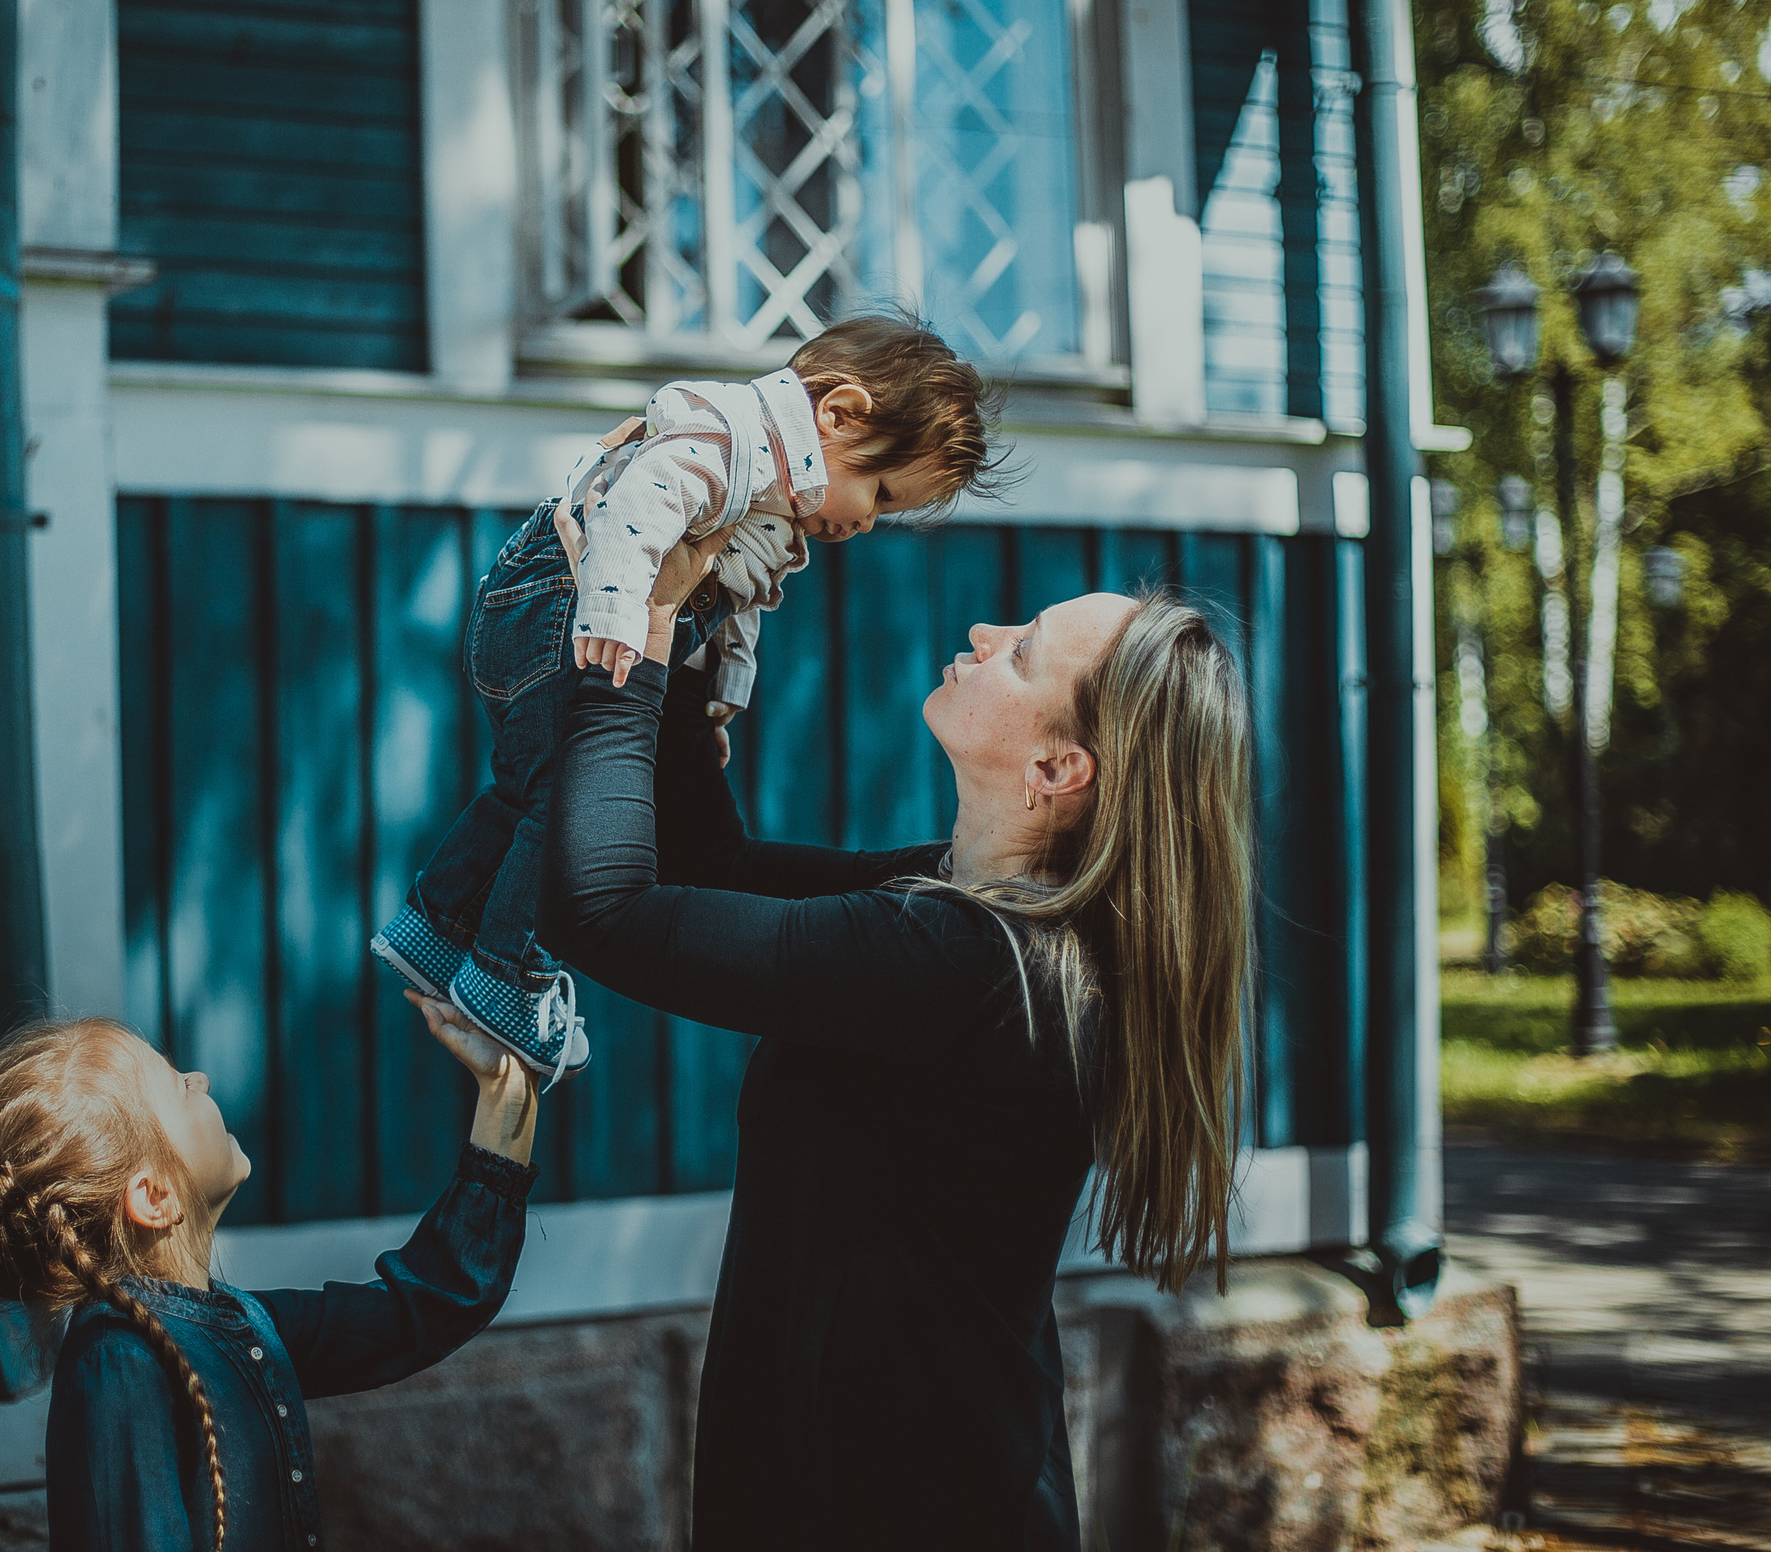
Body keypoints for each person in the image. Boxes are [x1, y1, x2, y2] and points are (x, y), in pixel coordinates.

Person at [538, 514, 1255, 1550]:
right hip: (896, 1486)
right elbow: (710, 871)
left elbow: (599, 911)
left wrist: (624, 649)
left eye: (1020, 651)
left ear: (1058, 769)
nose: (981, 629)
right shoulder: (965, 912)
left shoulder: (972, 963)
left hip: (905, 1507)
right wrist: (696, 636)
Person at [370, 313, 995, 1086]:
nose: (868, 520)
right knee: (562, 799)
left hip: (568, 625)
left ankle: (436, 923)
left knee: (524, 788)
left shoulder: (775, 509)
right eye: (880, 489)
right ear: (836, 414)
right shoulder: (735, 437)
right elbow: (641, 503)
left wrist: (715, 705)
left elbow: (735, 617)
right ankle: (506, 978)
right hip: (559, 614)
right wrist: (612, 616)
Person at [0, 995, 537, 1552]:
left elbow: (425, 1306)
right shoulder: (118, 1363)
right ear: (154, 1197)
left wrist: (509, 1097)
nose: (200, 1079)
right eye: (177, 1084)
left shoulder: (239, 1325)